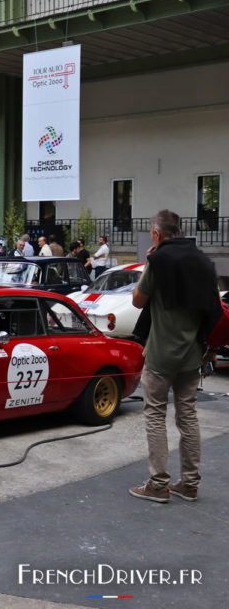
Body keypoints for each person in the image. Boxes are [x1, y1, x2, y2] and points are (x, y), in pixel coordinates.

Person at [129, 210, 219, 504]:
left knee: (155, 415)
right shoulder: (204, 262)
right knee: (188, 417)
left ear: (156, 233)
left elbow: (138, 300)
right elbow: (214, 309)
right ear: (178, 231)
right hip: (192, 354)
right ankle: (190, 484)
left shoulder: (159, 261)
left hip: (160, 354)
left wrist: (148, 263)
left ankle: (158, 485)